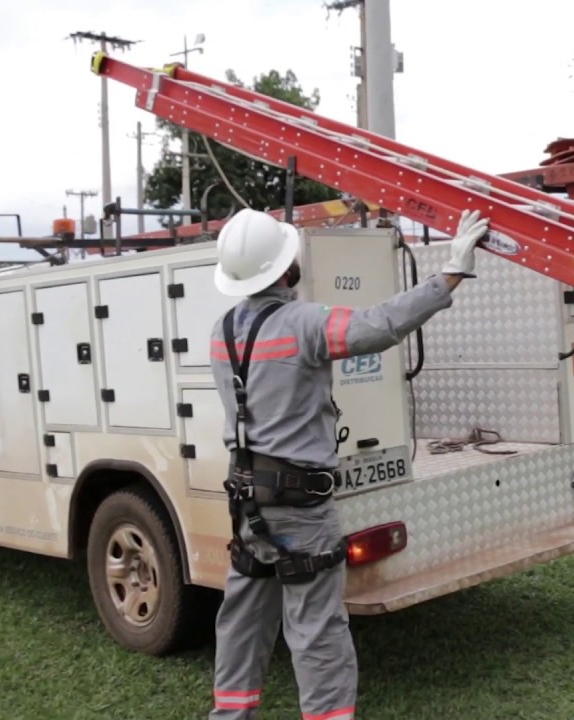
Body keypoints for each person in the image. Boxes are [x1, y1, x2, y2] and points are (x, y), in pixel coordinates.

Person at [206, 207, 489, 720]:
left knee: (243, 618)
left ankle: (229, 715)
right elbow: (377, 326)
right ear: (288, 263)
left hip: (248, 501)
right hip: (299, 505)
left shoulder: (221, 332)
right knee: (316, 628)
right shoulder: (305, 323)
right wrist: (451, 272)